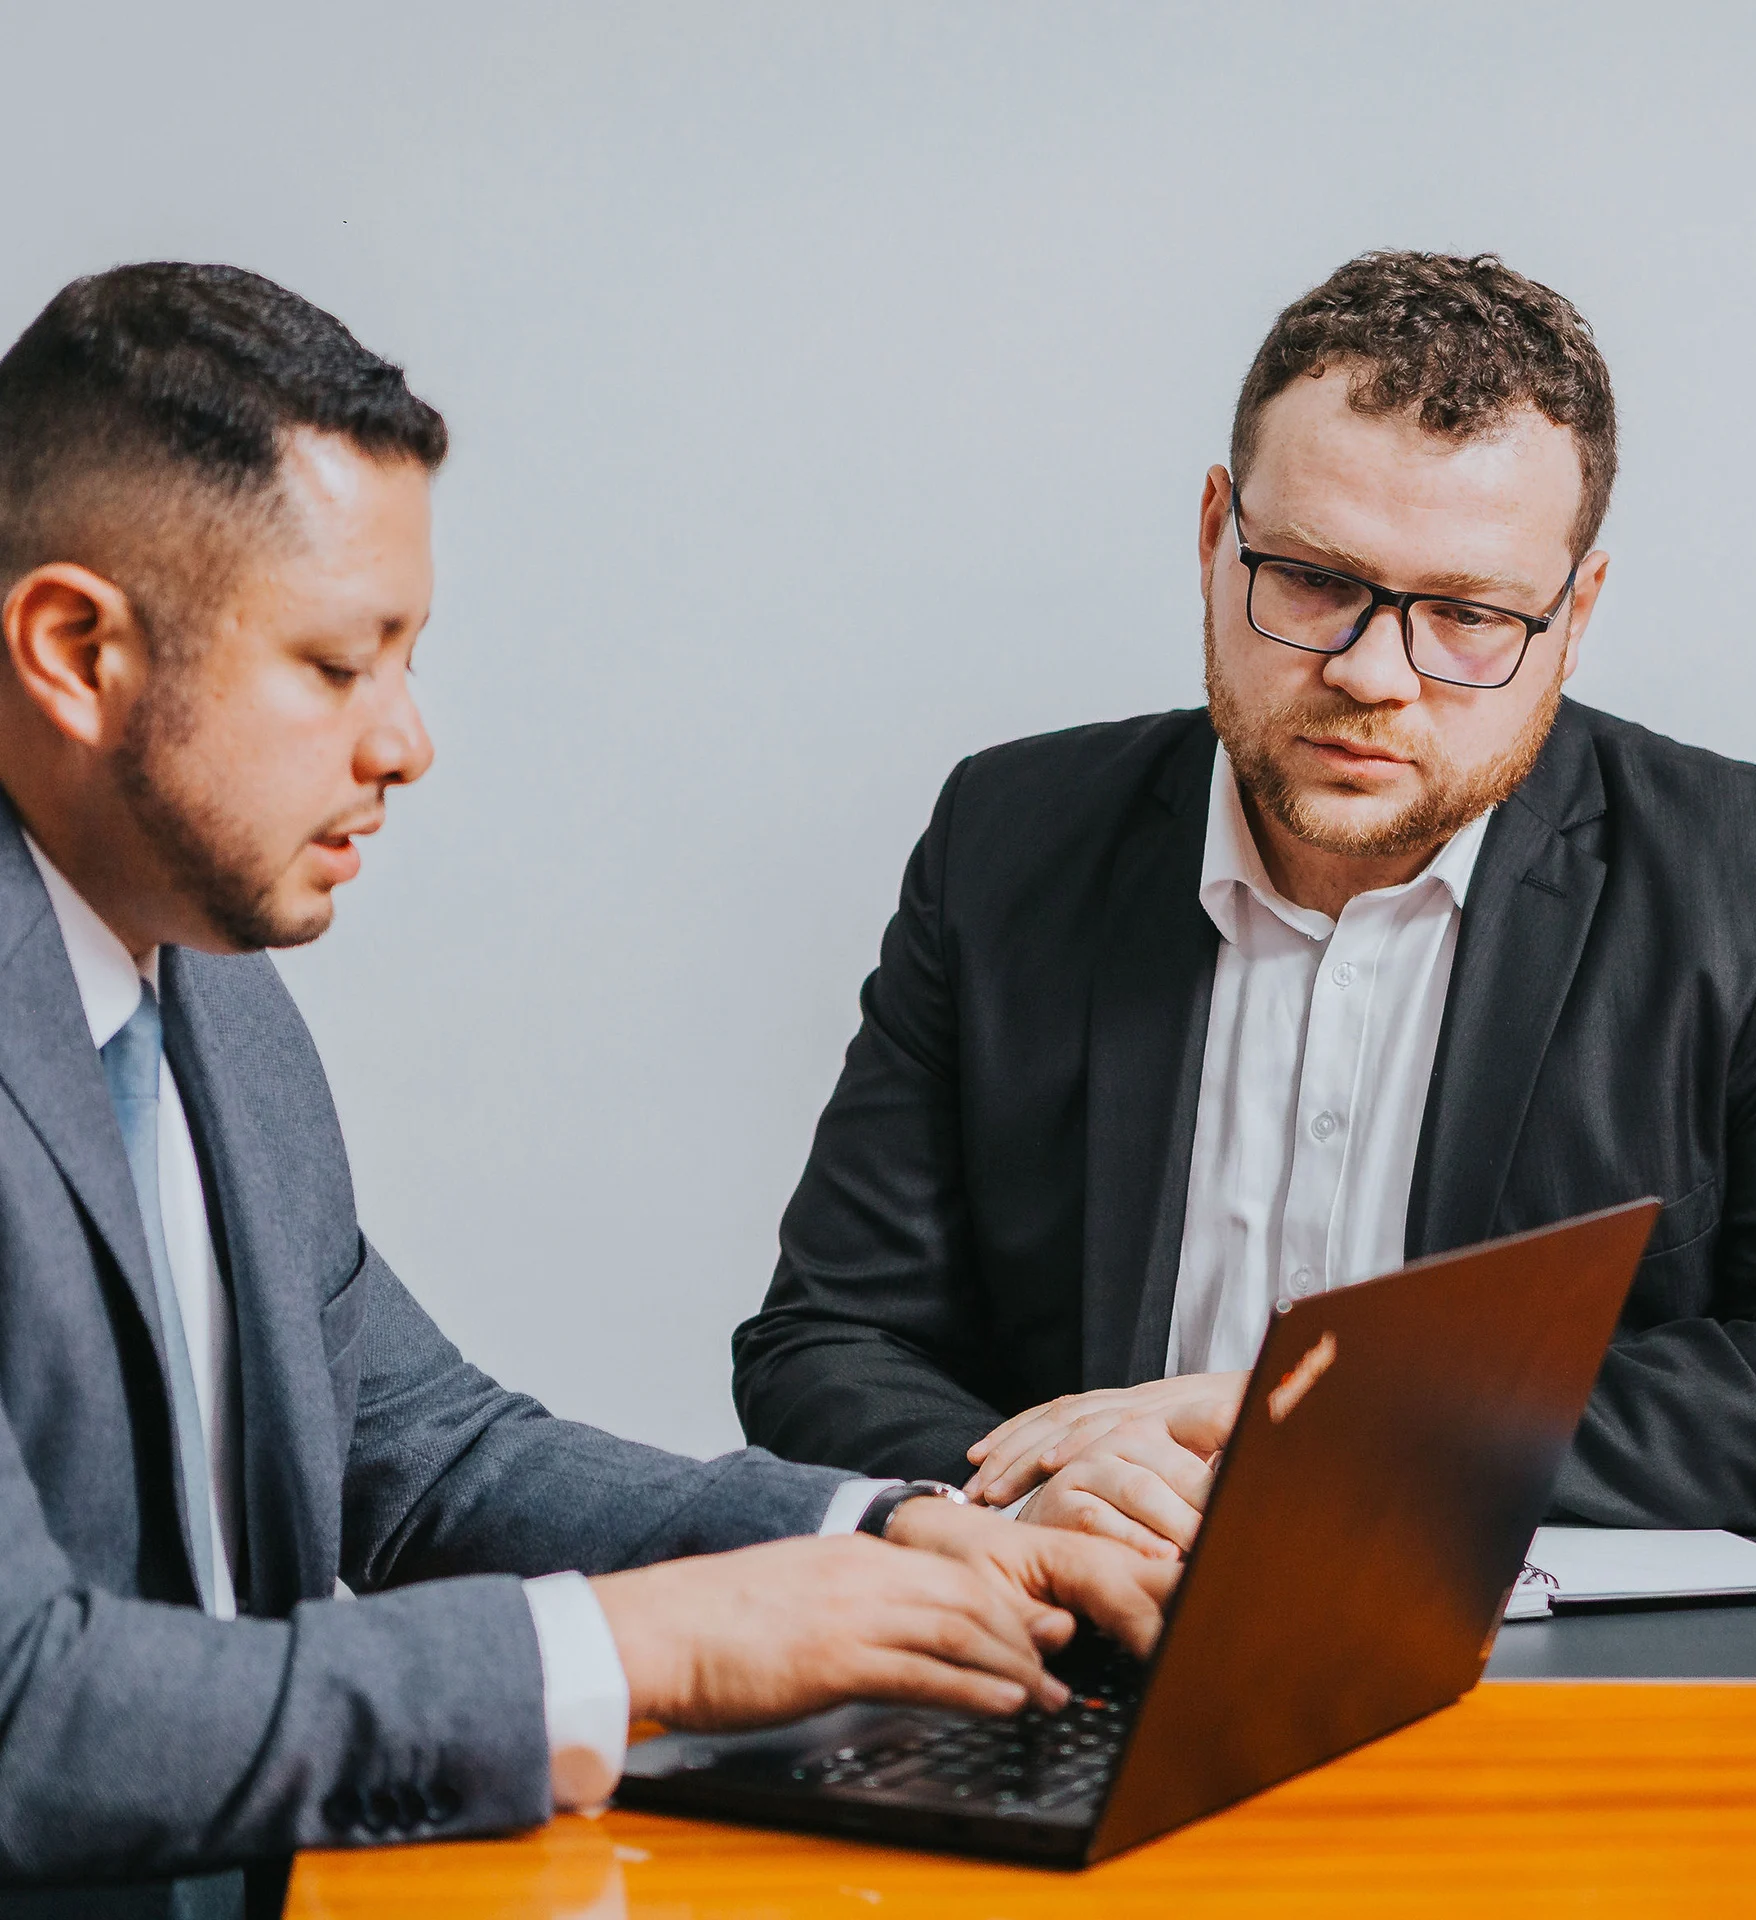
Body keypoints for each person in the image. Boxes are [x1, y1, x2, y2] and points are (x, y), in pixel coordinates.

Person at [0, 264, 1174, 1916]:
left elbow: (421, 1452)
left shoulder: (211, 990)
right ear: (74, 648)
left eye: (410, 660)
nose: (407, 743)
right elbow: (27, 1714)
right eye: (337, 666)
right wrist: (636, 1651)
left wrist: (867, 1535)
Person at [733, 249, 1756, 1554]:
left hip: (1522, 1655)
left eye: (1467, 613)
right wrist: (1033, 1503)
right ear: (1214, 536)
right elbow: (828, 1339)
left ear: (1575, 614)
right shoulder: (1005, 839)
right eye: (1312, 579)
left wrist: (1321, 1427)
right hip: (1075, 1616)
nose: (1373, 674)